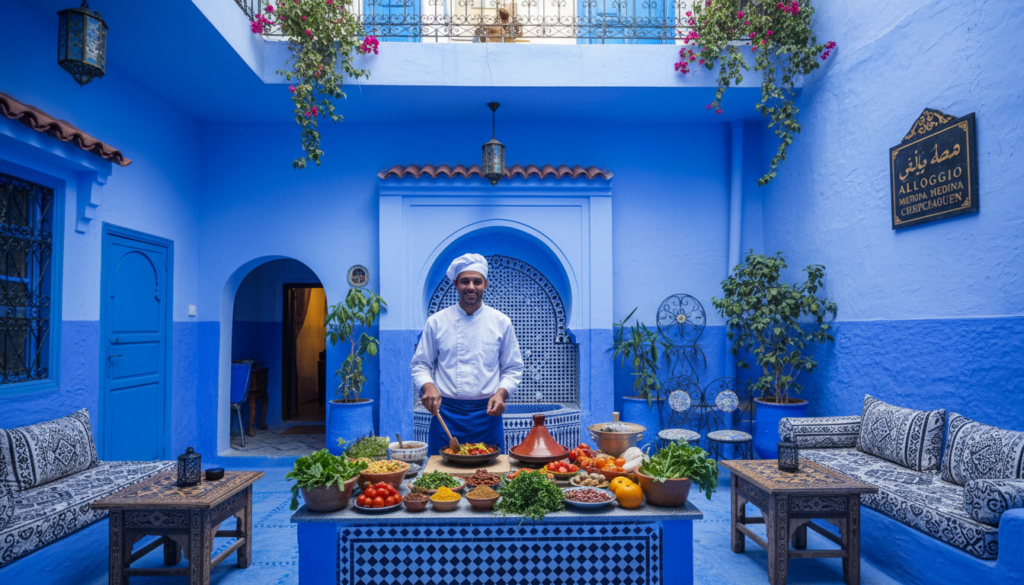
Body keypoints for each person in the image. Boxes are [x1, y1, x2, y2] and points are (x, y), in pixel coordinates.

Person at [411, 253, 524, 456]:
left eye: (477, 281)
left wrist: (501, 394)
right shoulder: (436, 322)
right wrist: (428, 386)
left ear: (485, 285)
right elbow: (420, 364)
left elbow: (513, 367)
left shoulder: (501, 322)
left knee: (491, 478)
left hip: (488, 414)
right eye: (465, 281)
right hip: (445, 414)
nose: (471, 286)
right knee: (441, 478)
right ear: (455, 284)